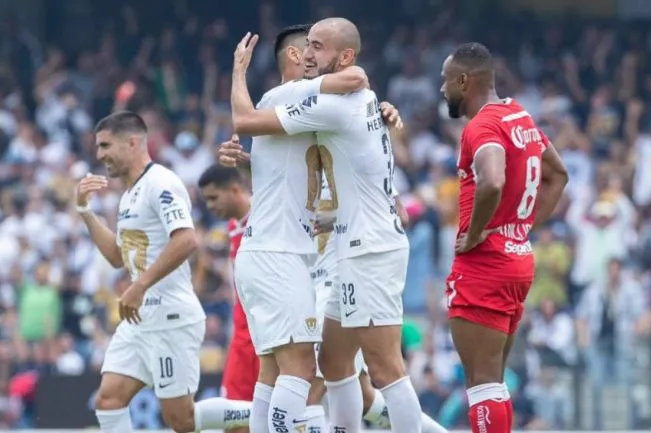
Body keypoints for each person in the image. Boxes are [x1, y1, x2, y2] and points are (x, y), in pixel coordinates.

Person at [231, 18, 419, 433]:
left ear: (346, 56)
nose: (310, 54)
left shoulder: (332, 104)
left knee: (385, 367)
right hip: (352, 245)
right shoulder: (362, 98)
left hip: (370, 248)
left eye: (318, 46)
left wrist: (238, 71)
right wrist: (255, 162)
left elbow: (246, 122)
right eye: (307, 45)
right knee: (332, 361)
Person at [218, 141, 447, 433]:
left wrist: (336, 220)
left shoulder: (357, 153)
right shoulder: (315, 155)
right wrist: (246, 161)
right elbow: (280, 178)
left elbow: (397, 214)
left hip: (342, 275)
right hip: (314, 278)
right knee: (354, 386)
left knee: (331, 378)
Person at [76, 111, 252, 433]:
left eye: (105, 145)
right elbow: (118, 257)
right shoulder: (129, 195)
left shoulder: (161, 182)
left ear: (132, 142)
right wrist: (85, 211)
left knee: (181, 421)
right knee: (108, 401)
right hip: (140, 320)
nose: (99, 155)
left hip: (170, 317)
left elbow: (187, 239)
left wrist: (140, 285)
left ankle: (274, 412)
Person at [439, 42, 569, 433]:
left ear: (464, 80)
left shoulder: (482, 125)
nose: (443, 90)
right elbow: (558, 175)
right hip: (516, 256)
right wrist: (523, 228)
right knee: (493, 380)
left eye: (446, 81)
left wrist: (476, 232)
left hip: (485, 263)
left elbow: (492, 180)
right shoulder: (519, 116)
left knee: (479, 382)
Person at [198, 163, 255, 433]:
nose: (209, 206)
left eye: (213, 197)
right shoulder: (232, 226)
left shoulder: (265, 217)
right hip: (243, 337)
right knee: (235, 420)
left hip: (276, 333)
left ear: (234, 189)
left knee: (289, 414)